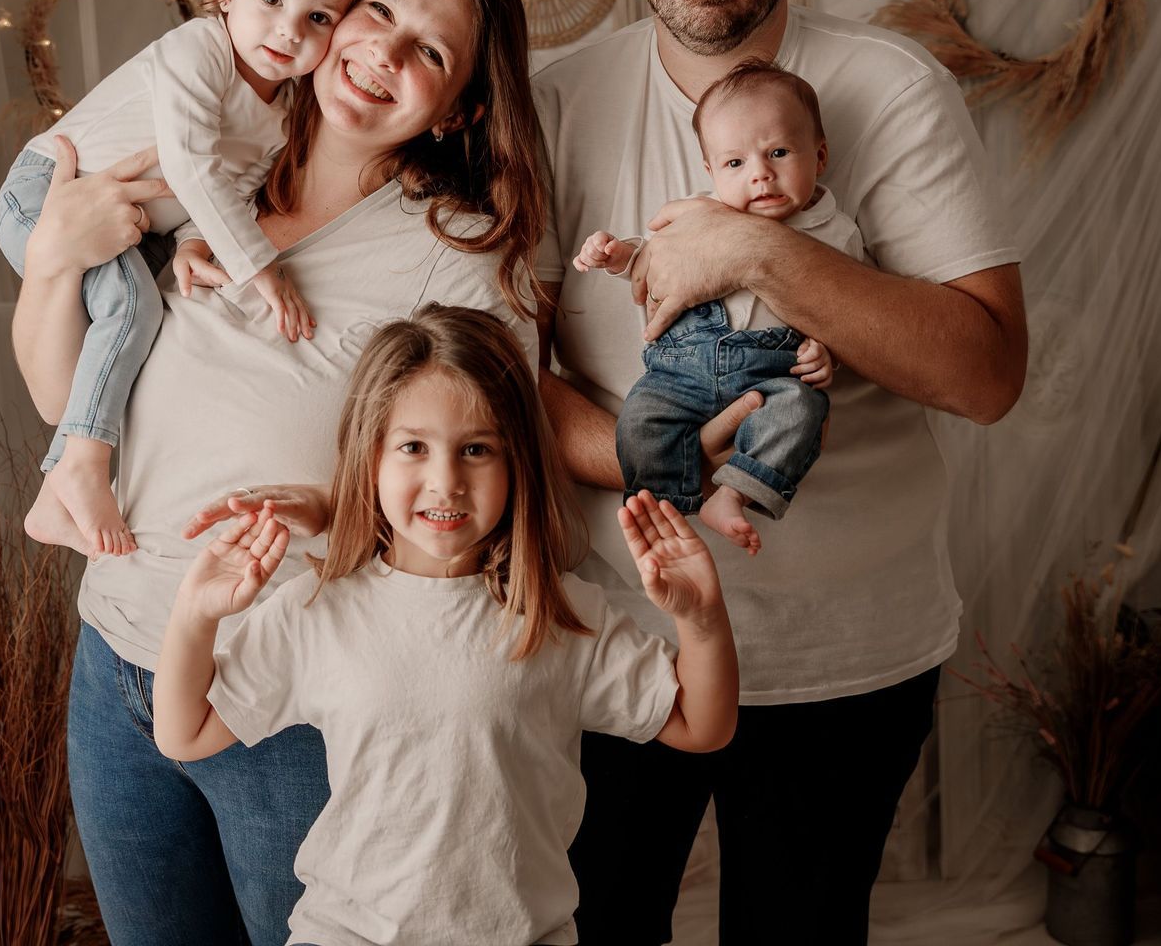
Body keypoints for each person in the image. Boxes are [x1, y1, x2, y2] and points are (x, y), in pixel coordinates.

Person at [534, 0, 1029, 942]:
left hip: (842, 654)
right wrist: (674, 467)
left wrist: (752, 254)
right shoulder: (556, 99)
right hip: (610, 638)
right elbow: (502, 376)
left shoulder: (887, 88)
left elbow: (987, 372)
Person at [10, 0, 550, 946]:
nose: (384, 51)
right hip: (119, 652)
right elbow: (62, 396)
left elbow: (482, 497)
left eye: (429, 51)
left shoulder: (454, 251)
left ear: (460, 108)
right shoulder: (212, 160)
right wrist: (51, 261)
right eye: (378, 11)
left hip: (289, 684)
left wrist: (337, 511)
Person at [153, 304, 739, 946]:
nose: (446, 481)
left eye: (477, 449)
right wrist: (195, 614)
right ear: (369, 457)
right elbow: (186, 733)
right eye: (413, 447)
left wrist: (702, 621)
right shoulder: (317, 609)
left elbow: (701, 726)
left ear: (518, 463)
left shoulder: (559, 614)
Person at [0, 0, 371, 558]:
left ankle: (56, 498)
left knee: (144, 331)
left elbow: (227, 189)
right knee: (134, 312)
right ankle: (77, 469)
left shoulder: (281, 115)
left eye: (318, 17)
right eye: (272, 0)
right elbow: (191, 161)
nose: (289, 31)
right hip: (49, 192)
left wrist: (197, 242)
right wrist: (261, 268)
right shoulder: (198, 52)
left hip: (138, 226)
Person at [572, 59, 854, 553]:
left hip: (773, 375)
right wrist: (618, 255)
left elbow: (848, 312)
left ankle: (732, 493)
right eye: (735, 163)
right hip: (679, 374)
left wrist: (826, 353)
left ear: (820, 155)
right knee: (640, 420)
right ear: (711, 171)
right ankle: (663, 513)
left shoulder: (837, 234)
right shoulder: (700, 215)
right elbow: (652, 262)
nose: (761, 175)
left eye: (780, 152)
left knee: (803, 410)